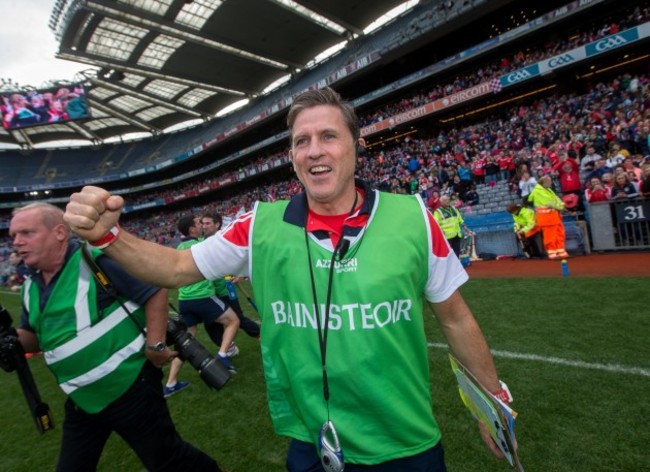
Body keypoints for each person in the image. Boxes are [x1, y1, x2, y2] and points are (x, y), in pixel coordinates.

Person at [64, 87, 512, 471]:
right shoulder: (257, 226)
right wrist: (108, 236)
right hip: (312, 444)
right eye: (302, 141)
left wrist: (492, 402)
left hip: (407, 445)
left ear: (357, 145)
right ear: (293, 157)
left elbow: (455, 319)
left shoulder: (413, 217)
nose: (314, 149)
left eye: (328, 136)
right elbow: (176, 268)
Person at [8, 202, 222, 472]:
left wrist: (155, 345)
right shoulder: (30, 287)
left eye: (26, 233)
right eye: (14, 236)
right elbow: (36, 338)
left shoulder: (96, 260)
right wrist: (11, 340)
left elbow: (154, 289)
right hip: (82, 398)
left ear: (59, 232)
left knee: (167, 460)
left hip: (130, 386)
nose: (17, 242)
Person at [169, 215, 240, 379]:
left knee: (186, 342)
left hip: (184, 300)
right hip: (202, 297)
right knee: (233, 320)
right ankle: (222, 356)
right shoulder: (201, 246)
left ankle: (171, 382)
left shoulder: (179, 248)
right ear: (192, 229)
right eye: (198, 223)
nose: (201, 225)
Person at [201, 212, 261, 345]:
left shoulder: (224, 240)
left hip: (226, 289)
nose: (204, 226)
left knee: (238, 318)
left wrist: (240, 274)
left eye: (207, 223)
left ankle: (261, 335)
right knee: (210, 323)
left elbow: (241, 257)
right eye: (202, 223)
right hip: (210, 291)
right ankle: (226, 349)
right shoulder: (202, 242)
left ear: (217, 224)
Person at [526, 175, 570, 260]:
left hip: (554, 217)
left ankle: (561, 252)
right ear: (544, 182)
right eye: (549, 181)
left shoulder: (547, 189)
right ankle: (552, 253)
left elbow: (556, 200)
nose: (550, 183)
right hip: (547, 219)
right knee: (550, 236)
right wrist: (561, 206)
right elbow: (550, 202)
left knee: (559, 234)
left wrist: (561, 204)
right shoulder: (538, 191)